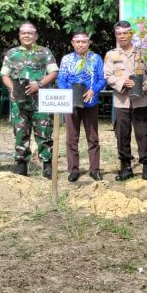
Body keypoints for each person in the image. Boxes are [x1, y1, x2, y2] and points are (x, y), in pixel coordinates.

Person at [0, 22, 59, 178]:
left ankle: (47, 166)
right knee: (20, 133)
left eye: (30, 33)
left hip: (41, 100)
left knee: (44, 133)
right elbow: (5, 75)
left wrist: (38, 85)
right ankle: (21, 165)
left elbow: (53, 73)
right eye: (23, 33)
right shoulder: (12, 53)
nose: (26, 35)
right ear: (19, 35)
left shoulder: (44, 52)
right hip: (19, 101)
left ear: (36, 36)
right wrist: (13, 88)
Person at [103, 20, 147, 181]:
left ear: (131, 34)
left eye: (125, 33)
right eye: (119, 33)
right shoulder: (111, 55)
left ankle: (146, 166)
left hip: (140, 101)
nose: (122, 36)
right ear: (115, 35)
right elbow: (108, 76)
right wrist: (122, 83)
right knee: (122, 135)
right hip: (121, 101)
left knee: (143, 134)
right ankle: (125, 167)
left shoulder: (143, 53)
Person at [56, 31, 106, 182]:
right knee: (71, 137)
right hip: (72, 102)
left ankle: (94, 169)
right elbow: (61, 79)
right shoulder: (67, 59)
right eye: (77, 42)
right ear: (72, 43)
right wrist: (68, 93)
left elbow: (102, 79)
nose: (81, 44)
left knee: (92, 137)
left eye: (84, 41)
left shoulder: (96, 59)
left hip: (91, 102)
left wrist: (94, 90)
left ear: (89, 43)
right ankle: (73, 169)